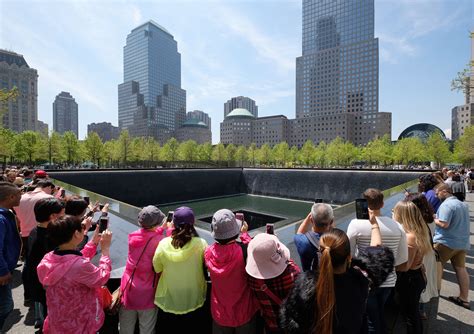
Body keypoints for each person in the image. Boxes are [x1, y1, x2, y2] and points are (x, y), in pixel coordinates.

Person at [280, 217, 394, 334]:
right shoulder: (360, 280)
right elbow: (379, 257)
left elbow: (291, 321)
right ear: (349, 257)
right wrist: (374, 225)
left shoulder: (306, 286)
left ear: (321, 254)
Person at [346, 188, 408, 334]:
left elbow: (348, 254)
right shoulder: (398, 226)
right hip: (389, 280)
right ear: (382, 204)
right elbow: (401, 259)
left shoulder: (356, 224)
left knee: (369, 319)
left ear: (363, 204)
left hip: (366, 281)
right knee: (379, 311)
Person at [37, 215, 112, 334]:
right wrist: (105, 251)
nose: (84, 229)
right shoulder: (79, 266)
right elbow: (101, 278)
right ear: (77, 234)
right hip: (80, 323)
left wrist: (94, 242)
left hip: (57, 320)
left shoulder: (48, 259)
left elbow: (72, 261)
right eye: (82, 227)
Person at [152, 206, 208, 332]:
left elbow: (156, 268)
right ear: (193, 222)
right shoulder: (202, 244)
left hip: (168, 302)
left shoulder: (163, 244)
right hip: (194, 299)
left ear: (173, 223)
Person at [204, 209, 259, 334]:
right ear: (236, 230)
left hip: (220, 314)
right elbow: (251, 249)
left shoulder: (208, 252)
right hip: (244, 312)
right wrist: (244, 235)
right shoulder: (243, 251)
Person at [119, 206, 171, 334]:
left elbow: (147, 237)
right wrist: (168, 230)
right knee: (147, 329)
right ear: (157, 223)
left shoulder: (133, 237)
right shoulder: (160, 241)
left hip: (129, 291)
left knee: (125, 329)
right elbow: (165, 243)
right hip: (148, 293)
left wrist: (159, 228)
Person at [246, 233, 300, 334]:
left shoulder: (252, 280)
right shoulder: (293, 274)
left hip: (271, 325)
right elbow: (290, 265)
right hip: (291, 325)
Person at [25, 198, 66, 329]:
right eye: (62, 214)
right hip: (48, 288)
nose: (64, 217)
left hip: (38, 285)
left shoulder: (35, 231)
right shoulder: (49, 238)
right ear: (53, 216)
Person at [393, 201, 432, 333]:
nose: (392, 213)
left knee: (411, 315)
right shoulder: (420, 230)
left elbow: (405, 267)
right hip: (417, 277)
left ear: (402, 215)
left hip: (409, 281)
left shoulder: (409, 237)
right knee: (413, 313)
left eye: (394, 211)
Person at [433, 183, 470, 310]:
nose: (436, 196)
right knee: (461, 269)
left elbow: (444, 224)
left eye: (437, 193)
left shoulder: (447, 205)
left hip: (445, 243)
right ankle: (464, 298)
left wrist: (433, 218)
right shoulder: (463, 204)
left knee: (435, 268)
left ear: (444, 191)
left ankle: (432, 296)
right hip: (461, 243)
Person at [404, 193, 438, 318]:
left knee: (419, 281)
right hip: (429, 252)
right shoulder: (430, 218)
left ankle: (415, 311)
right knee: (425, 280)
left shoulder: (416, 222)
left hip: (420, 254)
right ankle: (421, 310)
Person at [0, 182, 22, 331]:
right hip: (2, 270)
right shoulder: (1, 219)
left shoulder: (6, 214)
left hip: (6, 265)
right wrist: (2, 271)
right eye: (19, 195)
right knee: (5, 306)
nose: (22, 197)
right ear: (11, 196)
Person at [294, 203, 334, 271]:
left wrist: (308, 218)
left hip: (311, 280)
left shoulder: (303, 241)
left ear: (311, 220)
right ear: (332, 221)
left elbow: (299, 233)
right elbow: (335, 231)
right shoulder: (339, 240)